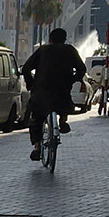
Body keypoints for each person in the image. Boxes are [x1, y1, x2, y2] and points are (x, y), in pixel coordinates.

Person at [21, 28, 86, 161]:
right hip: (62, 90)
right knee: (64, 102)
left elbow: (26, 68)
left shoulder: (43, 50)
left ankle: (37, 147)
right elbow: (82, 69)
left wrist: (30, 83)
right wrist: (73, 79)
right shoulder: (70, 50)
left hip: (42, 91)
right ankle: (62, 120)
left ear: (50, 39)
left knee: (36, 119)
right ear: (65, 39)